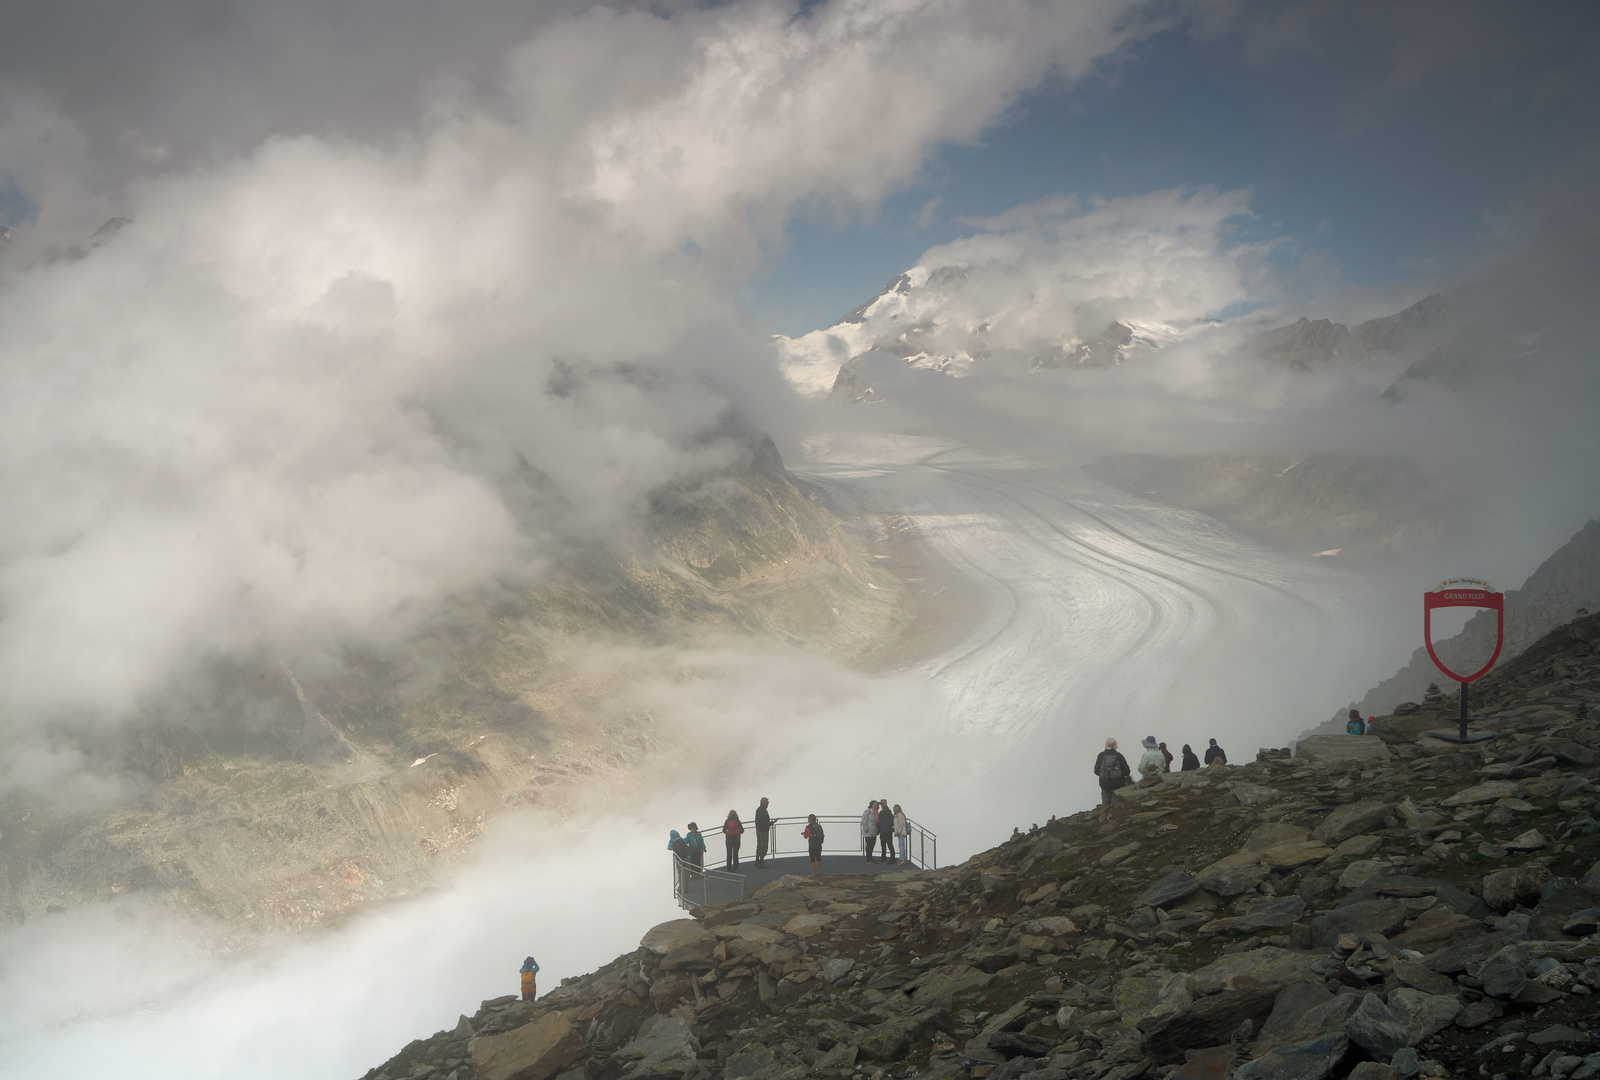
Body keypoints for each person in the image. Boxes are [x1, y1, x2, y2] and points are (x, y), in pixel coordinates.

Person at [1094, 738, 1131, 806]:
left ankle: (1105, 814)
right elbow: (1126, 772)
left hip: (1104, 785)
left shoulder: (1101, 756)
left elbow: (1096, 771)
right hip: (1118, 785)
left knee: (1105, 806)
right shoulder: (1119, 756)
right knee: (1117, 806)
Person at [753, 797, 772, 868]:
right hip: (763, 831)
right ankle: (761, 862)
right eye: (767, 802)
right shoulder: (763, 811)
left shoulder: (758, 809)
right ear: (763, 803)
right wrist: (772, 822)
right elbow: (764, 823)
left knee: (759, 845)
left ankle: (757, 860)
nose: (768, 804)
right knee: (764, 846)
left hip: (758, 830)